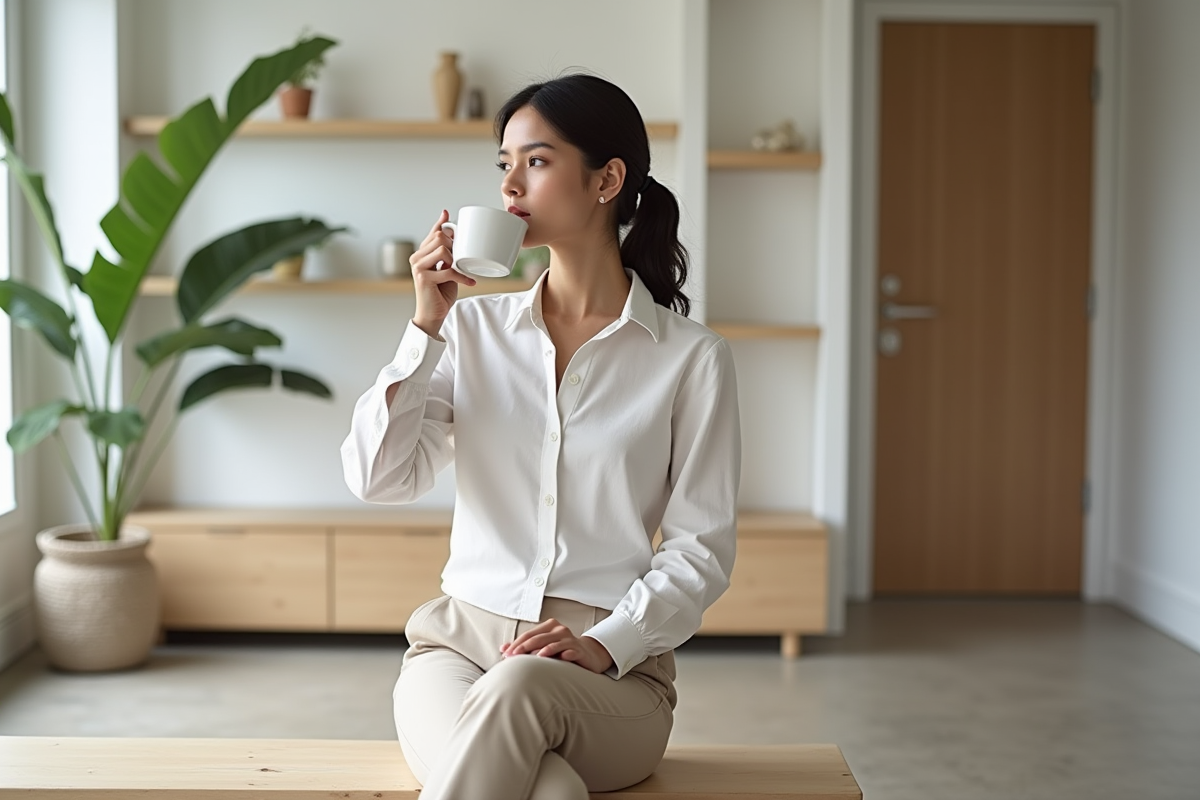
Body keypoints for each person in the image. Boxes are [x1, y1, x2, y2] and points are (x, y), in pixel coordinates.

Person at [340, 73, 742, 800]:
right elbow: (379, 478)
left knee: (522, 685)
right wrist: (424, 327)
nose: (509, 185)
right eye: (504, 163)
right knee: (550, 792)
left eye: (536, 160)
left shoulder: (691, 358)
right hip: (459, 651)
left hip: (612, 676)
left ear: (606, 180)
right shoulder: (469, 330)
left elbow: (700, 548)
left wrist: (606, 642)